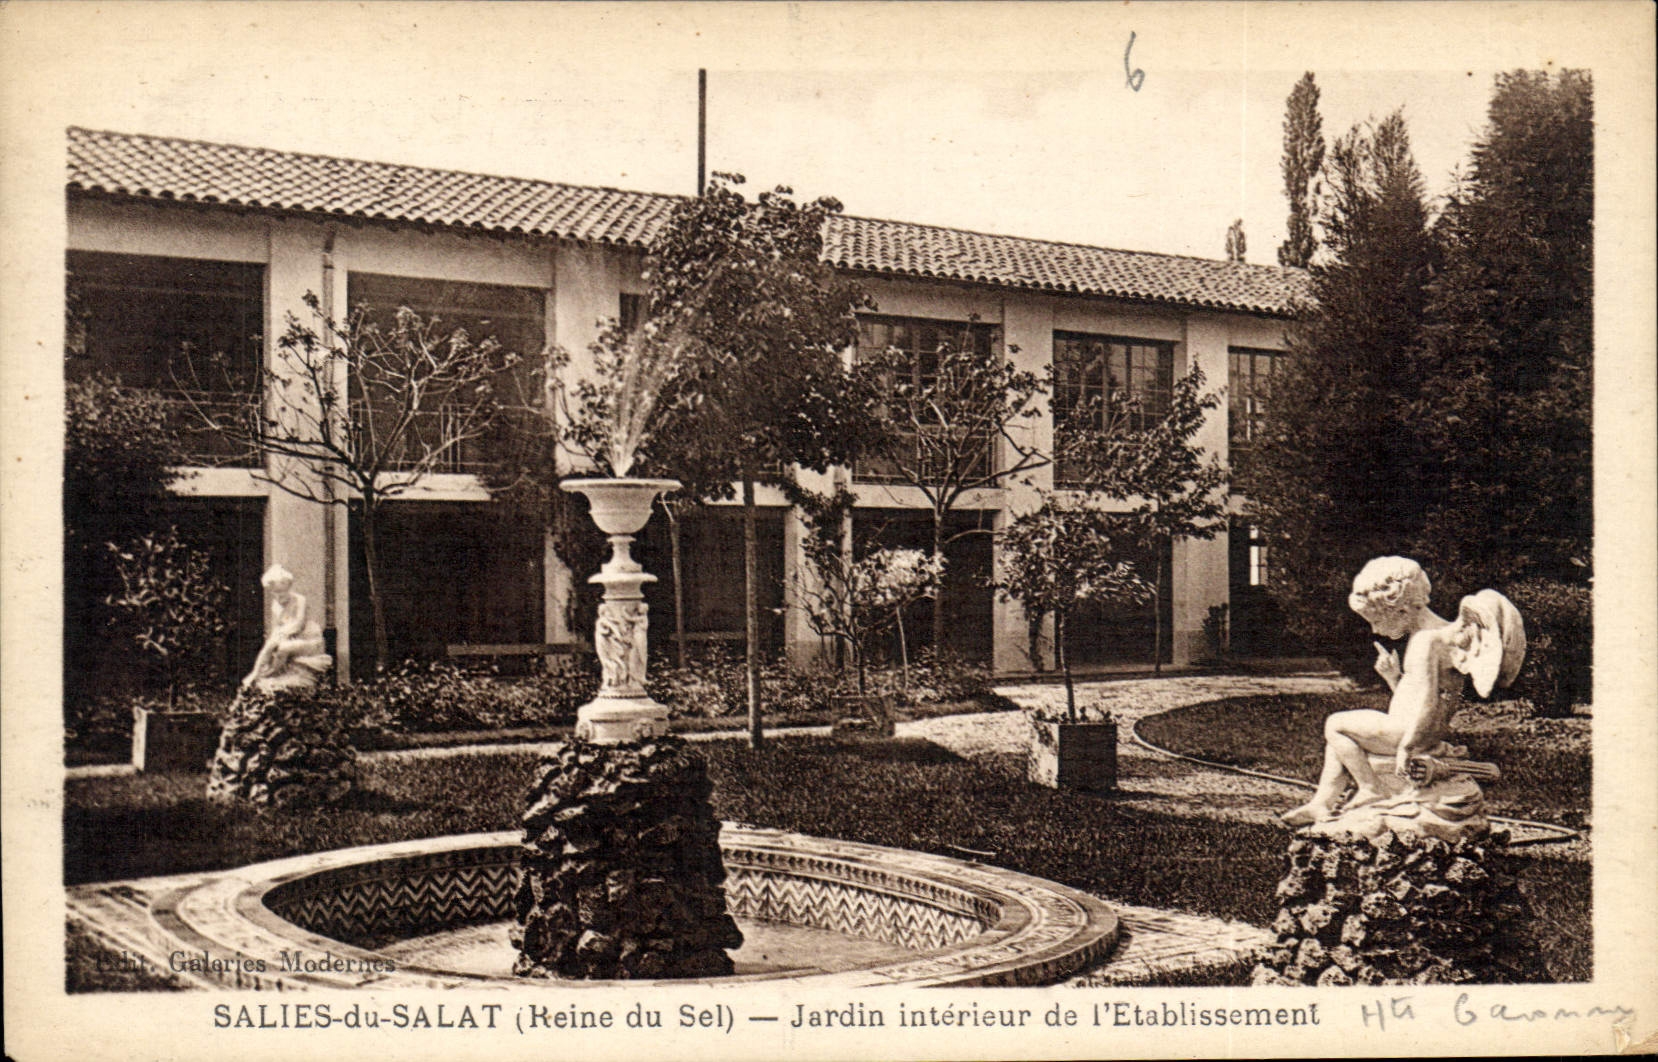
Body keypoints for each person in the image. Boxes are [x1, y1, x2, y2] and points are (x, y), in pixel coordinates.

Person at [1280, 556, 1519, 828]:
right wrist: (1393, 678)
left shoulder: (1425, 643)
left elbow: (1430, 703)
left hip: (1410, 735)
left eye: (1377, 619)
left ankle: (1371, 789)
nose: (1375, 629)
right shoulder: (1440, 635)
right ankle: (1321, 803)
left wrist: (1408, 747)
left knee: (1335, 725)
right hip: (1418, 731)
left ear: (1402, 610)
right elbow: (1418, 701)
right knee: (1339, 744)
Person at [242, 564, 332, 692]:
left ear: (288, 587)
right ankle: (256, 673)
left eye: (282, 592)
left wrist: (282, 633)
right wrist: (275, 637)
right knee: (271, 645)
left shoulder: (300, 600)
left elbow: (299, 624)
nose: (279, 597)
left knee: (283, 647)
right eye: (276, 593)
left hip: (309, 640)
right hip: (291, 637)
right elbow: (278, 626)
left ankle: (271, 673)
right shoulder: (276, 606)